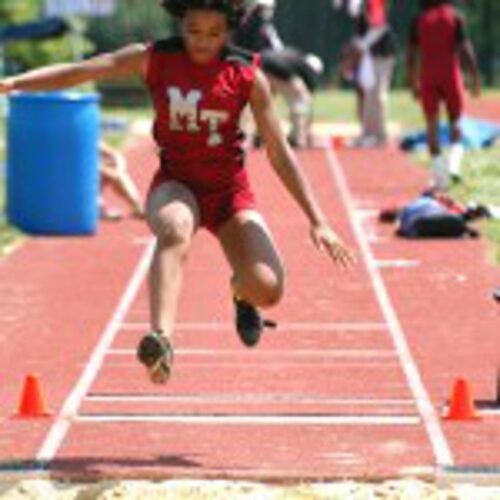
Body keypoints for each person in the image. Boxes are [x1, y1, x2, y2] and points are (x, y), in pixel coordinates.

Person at [0, 0, 354, 385]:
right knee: (175, 226)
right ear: (180, 23)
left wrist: (318, 220)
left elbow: (279, 152)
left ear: (230, 30)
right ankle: (161, 339)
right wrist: (15, 83)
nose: (202, 42)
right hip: (176, 185)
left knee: (268, 290)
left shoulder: (247, 74)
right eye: (194, 31)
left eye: (214, 34)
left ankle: (240, 293)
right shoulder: (155, 58)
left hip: (229, 195)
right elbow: (82, 71)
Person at [407, 0, 481, 191]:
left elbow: (412, 52)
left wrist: (413, 80)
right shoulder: (455, 17)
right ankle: (454, 166)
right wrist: (474, 76)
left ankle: (441, 178)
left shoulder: (418, 20)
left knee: (432, 125)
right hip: (450, 72)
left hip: (428, 74)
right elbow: (466, 49)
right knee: (455, 121)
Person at [234, 0, 324, 148]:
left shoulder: (291, 54)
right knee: (300, 98)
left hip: (260, 63)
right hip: (271, 66)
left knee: (264, 101)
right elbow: (307, 97)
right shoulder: (303, 66)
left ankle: (259, 135)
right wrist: (309, 130)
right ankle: (297, 137)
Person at [350, 3, 397, 148]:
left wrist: (361, 45)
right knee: (369, 94)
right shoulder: (357, 5)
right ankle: (368, 134)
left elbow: (379, 27)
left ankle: (380, 135)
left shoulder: (373, 2)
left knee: (378, 95)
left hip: (383, 55)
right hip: (371, 55)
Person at [99, 140, 145, 220]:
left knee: (114, 169)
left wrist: (119, 167)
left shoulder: (88, 136)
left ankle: (136, 206)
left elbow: (113, 154)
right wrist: (108, 171)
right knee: (108, 171)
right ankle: (96, 207)